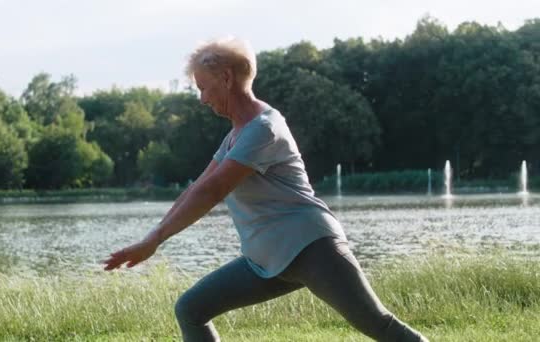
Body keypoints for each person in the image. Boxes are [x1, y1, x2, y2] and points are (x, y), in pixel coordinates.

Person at [103, 37, 428, 342]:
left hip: (311, 248)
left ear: (227, 78)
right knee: (191, 309)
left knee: (379, 325)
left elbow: (211, 192)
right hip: (265, 261)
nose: (201, 98)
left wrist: (155, 240)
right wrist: (151, 236)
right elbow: (197, 188)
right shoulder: (236, 135)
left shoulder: (264, 129)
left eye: (203, 87)